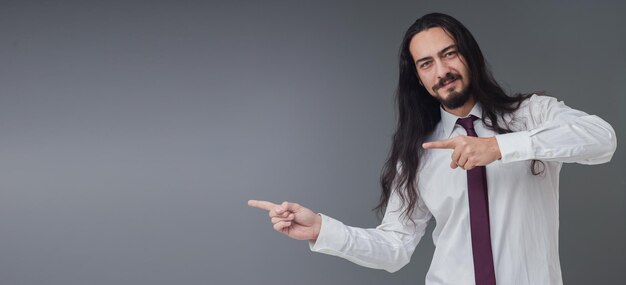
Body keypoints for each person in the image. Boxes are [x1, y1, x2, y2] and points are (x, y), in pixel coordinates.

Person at [247, 12, 617, 285]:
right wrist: (321, 230)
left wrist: (500, 147)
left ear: (469, 56)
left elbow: (602, 140)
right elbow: (395, 248)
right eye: (427, 64)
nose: (442, 70)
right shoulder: (417, 153)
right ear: (419, 78)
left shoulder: (531, 114)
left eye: (449, 54)